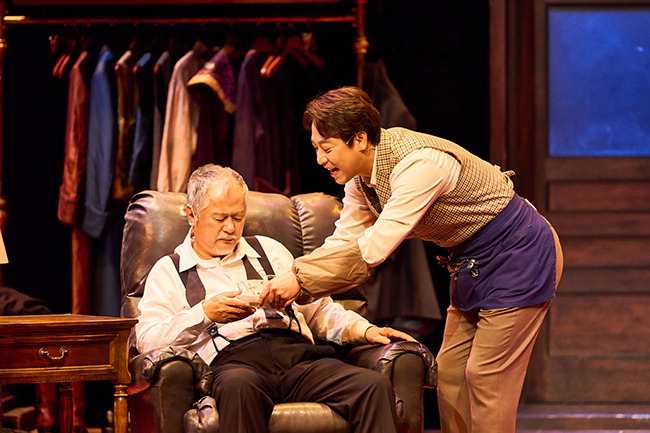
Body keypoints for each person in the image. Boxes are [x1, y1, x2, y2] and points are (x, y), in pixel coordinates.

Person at [260, 86, 564, 433]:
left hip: (519, 254)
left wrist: (300, 281)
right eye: (316, 148)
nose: (320, 159)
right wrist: (289, 276)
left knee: (486, 376)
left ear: (360, 139)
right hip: (471, 265)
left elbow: (375, 247)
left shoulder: (419, 165)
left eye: (326, 148)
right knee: (450, 373)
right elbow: (344, 240)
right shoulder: (361, 183)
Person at [135, 163, 415, 433]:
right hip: (234, 363)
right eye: (220, 218)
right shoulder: (170, 270)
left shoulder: (271, 251)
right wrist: (205, 313)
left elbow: (319, 311)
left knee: (372, 385)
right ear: (191, 215)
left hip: (298, 357)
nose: (231, 228)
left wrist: (365, 330)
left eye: (238, 217)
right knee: (238, 385)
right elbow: (148, 340)